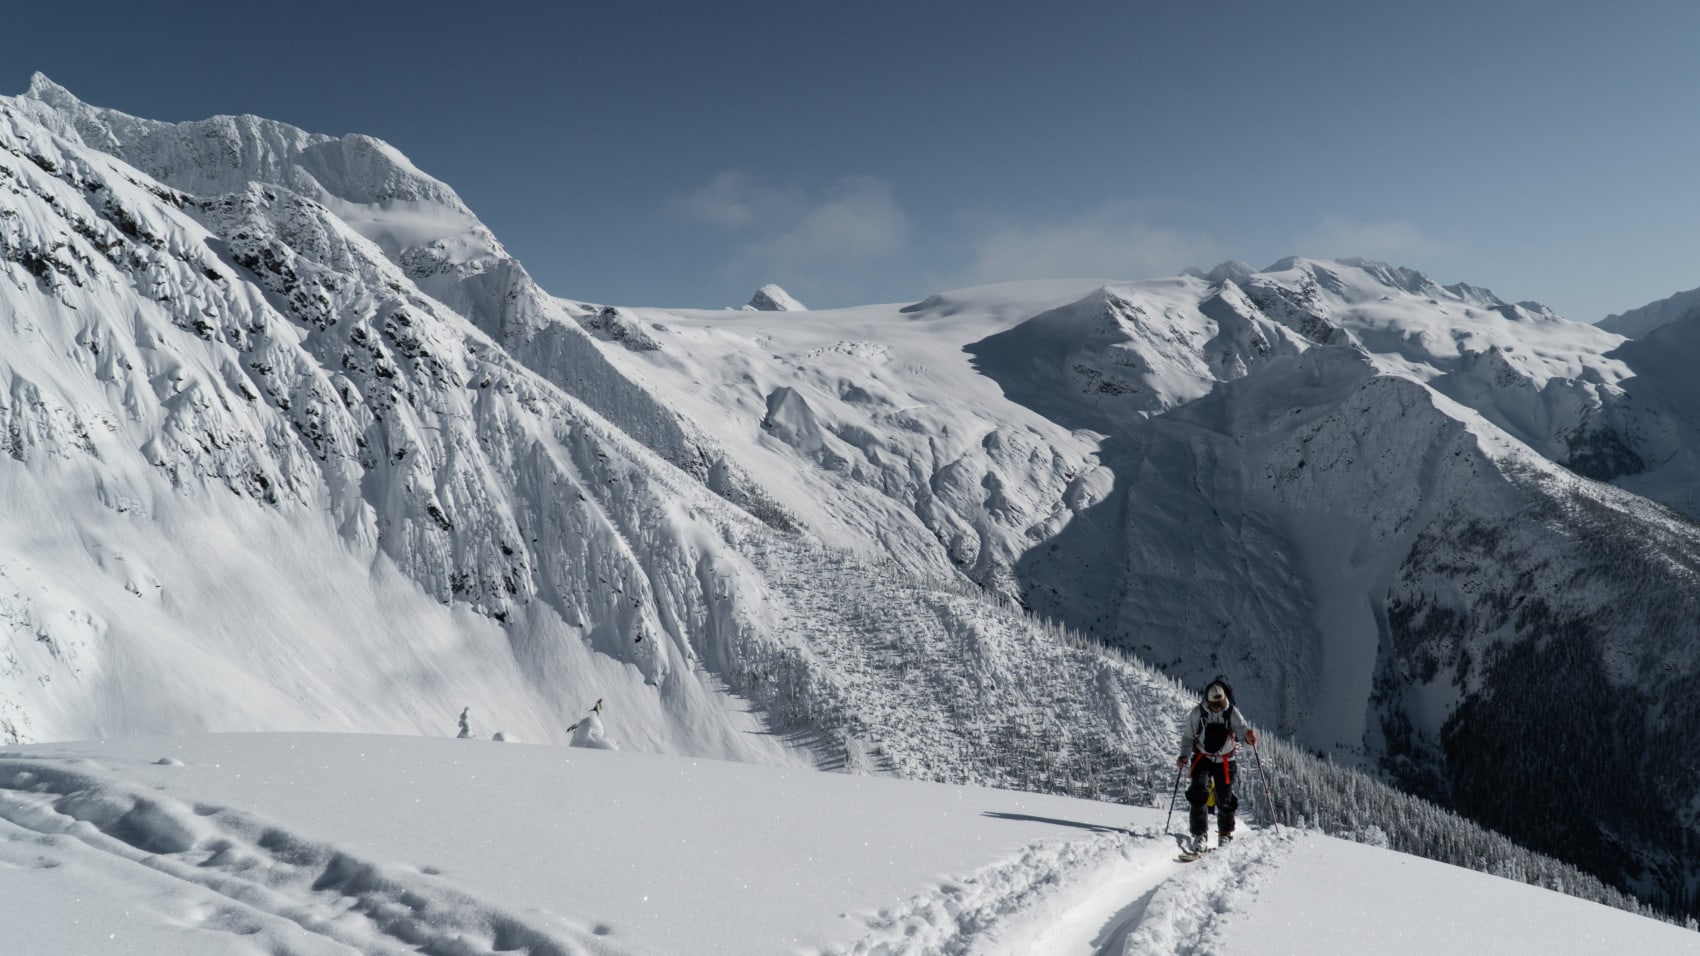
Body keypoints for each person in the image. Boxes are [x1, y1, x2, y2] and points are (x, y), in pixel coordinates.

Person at [1176, 679, 1256, 854]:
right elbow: (1188, 737)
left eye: (1221, 704)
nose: (1219, 708)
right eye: (1216, 705)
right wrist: (1183, 755)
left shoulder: (1232, 713)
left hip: (1225, 760)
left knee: (1225, 798)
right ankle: (1199, 834)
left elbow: (1243, 735)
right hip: (1203, 757)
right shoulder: (1198, 713)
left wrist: (1250, 740)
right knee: (1198, 793)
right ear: (1208, 701)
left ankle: (1225, 834)